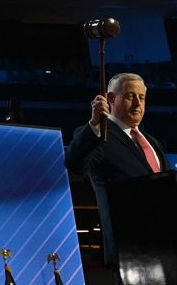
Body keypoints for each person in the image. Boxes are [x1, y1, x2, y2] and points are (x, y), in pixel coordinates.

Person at [65, 72, 165, 263]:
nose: (137, 104)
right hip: (129, 251)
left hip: (167, 246)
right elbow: (74, 164)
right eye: (129, 96)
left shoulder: (153, 142)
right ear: (111, 98)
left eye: (141, 98)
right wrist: (95, 124)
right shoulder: (99, 136)